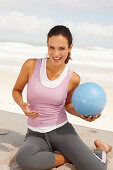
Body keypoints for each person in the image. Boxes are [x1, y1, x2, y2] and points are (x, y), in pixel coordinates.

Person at [12, 25, 112, 170]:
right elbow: (16, 90)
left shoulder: (73, 78)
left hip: (62, 131)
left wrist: (83, 116)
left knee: (97, 168)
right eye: (51, 47)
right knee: (24, 159)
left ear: (70, 47)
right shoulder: (31, 65)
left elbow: (68, 105)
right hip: (35, 134)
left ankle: (101, 148)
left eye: (61, 48)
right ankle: (67, 156)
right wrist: (22, 104)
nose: (56, 53)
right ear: (47, 45)